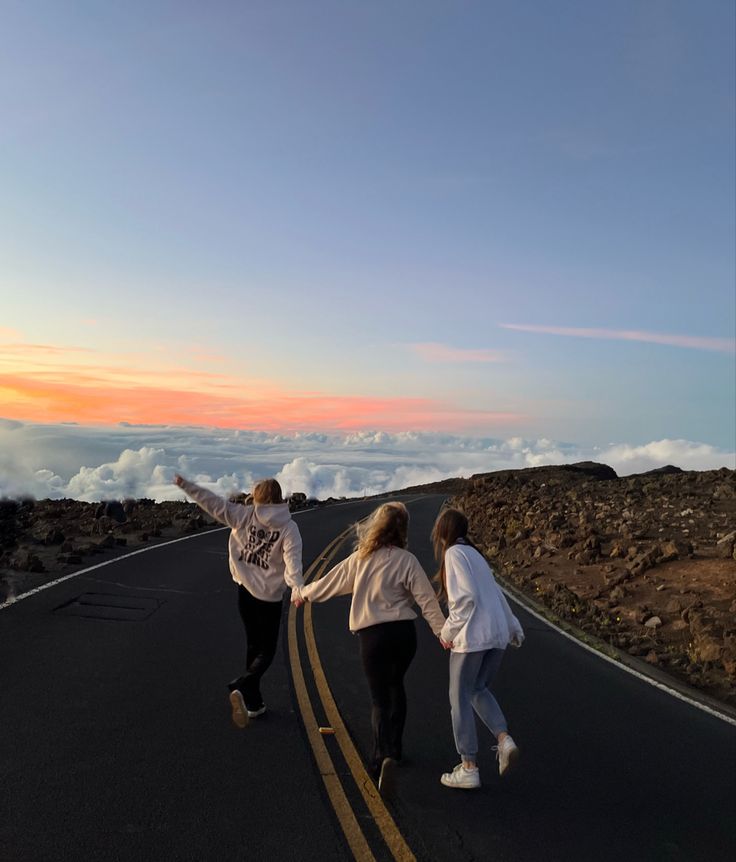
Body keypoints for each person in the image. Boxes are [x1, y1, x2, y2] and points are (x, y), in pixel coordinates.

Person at [292, 501, 445, 792]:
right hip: (403, 635)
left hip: (373, 637)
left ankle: (379, 758)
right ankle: (396, 751)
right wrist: (442, 633)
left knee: (379, 698)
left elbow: (328, 584)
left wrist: (303, 594)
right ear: (403, 528)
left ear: (378, 525)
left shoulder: (360, 559)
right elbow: (427, 601)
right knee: (396, 685)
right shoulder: (407, 560)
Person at [174, 474, 303, 728]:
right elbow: (293, 562)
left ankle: (254, 704)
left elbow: (212, 503)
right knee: (267, 651)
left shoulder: (243, 515)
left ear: (258, 497)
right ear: (279, 498)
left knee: (254, 646)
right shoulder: (289, 528)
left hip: (244, 594)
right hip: (269, 599)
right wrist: (296, 587)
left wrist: (185, 485)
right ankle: (243, 686)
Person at [432, 508, 524, 790]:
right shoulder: (476, 555)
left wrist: (447, 632)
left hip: (473, 638)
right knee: (477, 689)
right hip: (496, 635)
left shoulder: (453, 555)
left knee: (458, 697)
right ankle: (503, 739)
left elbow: (466, 599)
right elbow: (496, 593)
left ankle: (468, 766)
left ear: (442, 532)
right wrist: (513, 627)